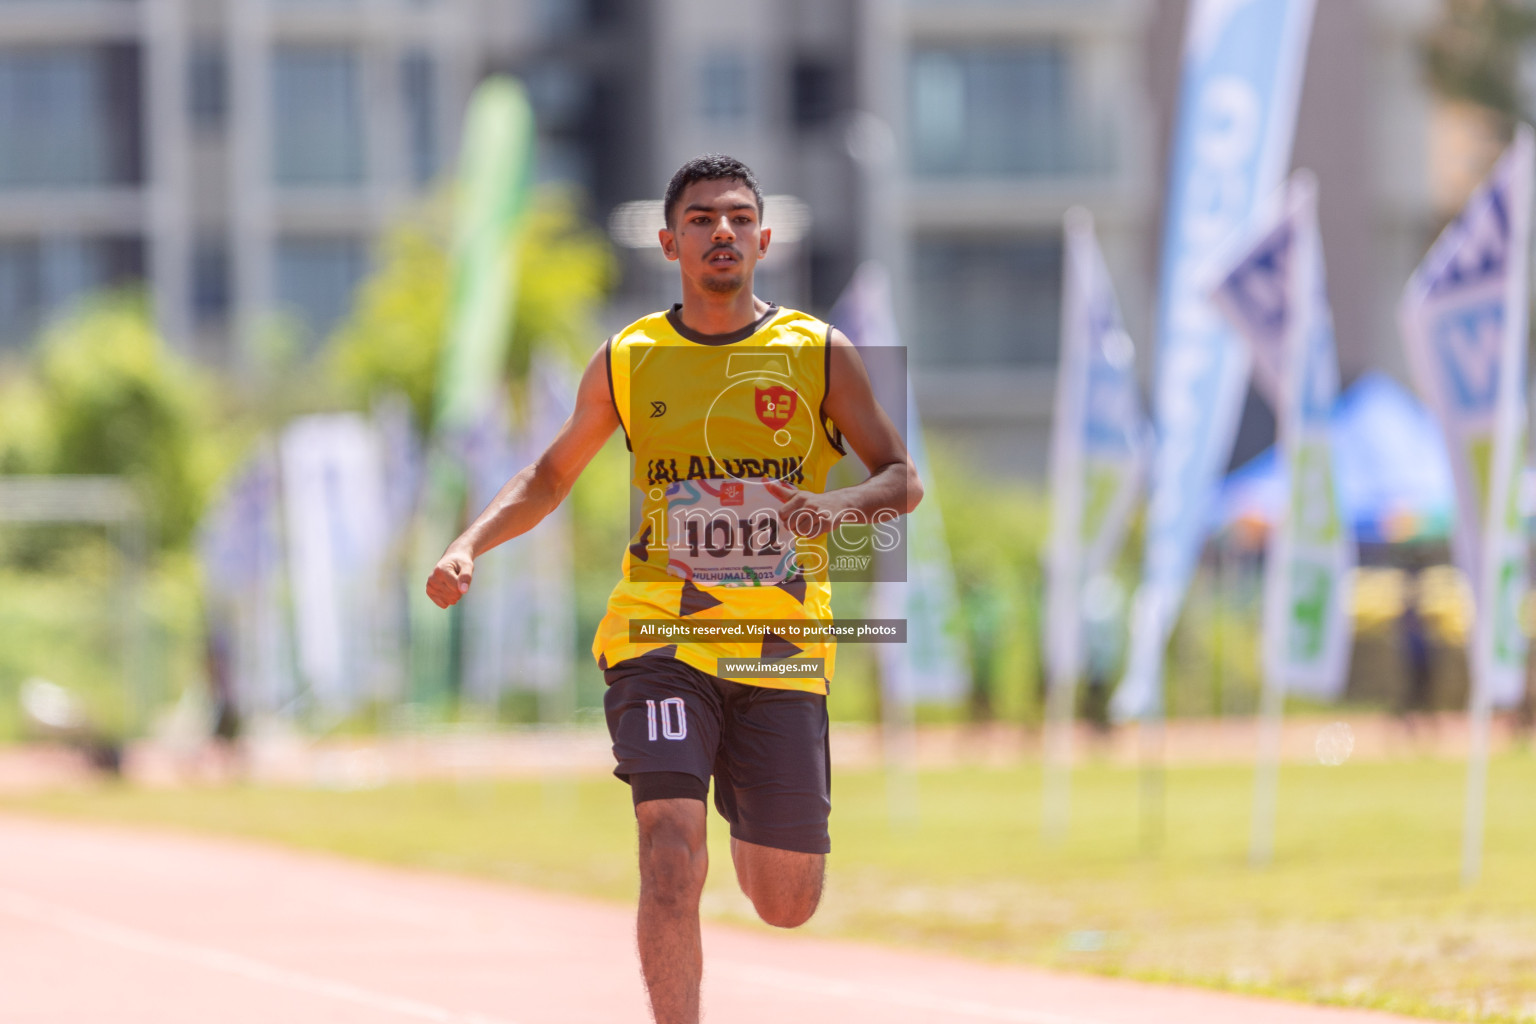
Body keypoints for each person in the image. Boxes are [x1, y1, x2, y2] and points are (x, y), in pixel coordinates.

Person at [426, 154, 921, 1024]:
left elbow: (901, 479)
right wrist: (470, 543)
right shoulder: (630, 357)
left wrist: (829, 509)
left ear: (763, 239)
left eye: (736, 218)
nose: (720, 232)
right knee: (667, 852)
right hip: (660, 635)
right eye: (700, 219)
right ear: (668, 242)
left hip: (779, 646)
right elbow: (549, 474)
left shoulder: (817, 352)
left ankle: (743, 779)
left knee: (786, 899)